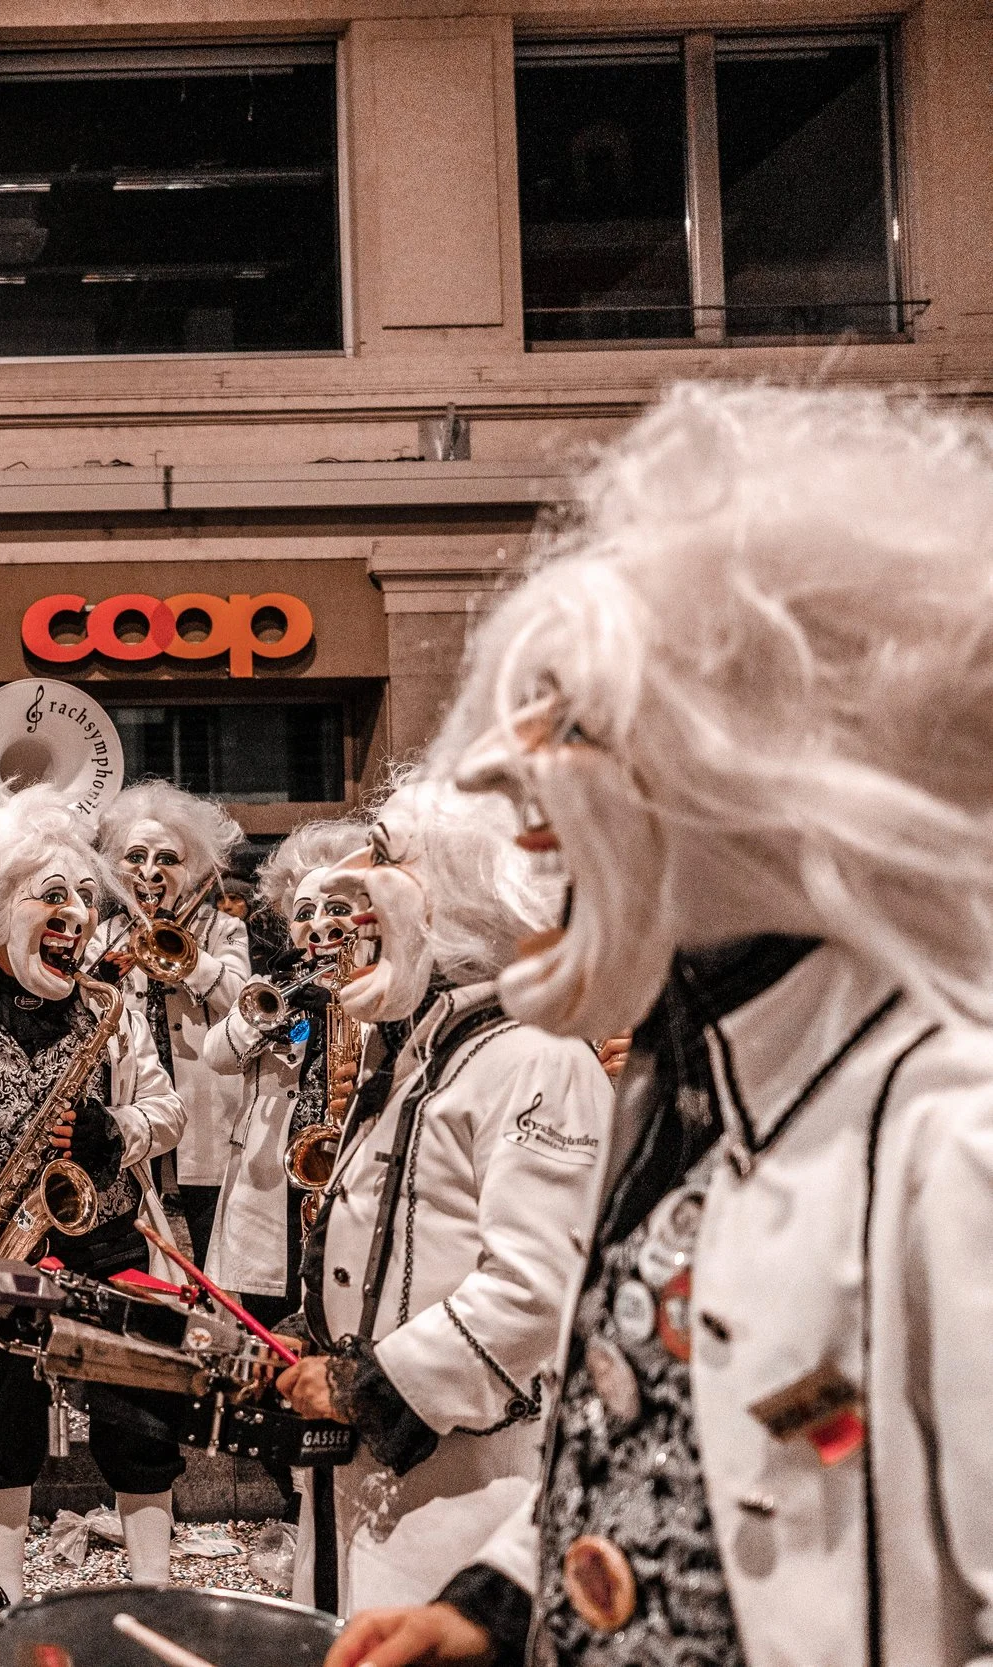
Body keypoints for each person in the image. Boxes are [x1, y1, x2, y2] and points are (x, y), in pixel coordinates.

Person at [330, 384, 993, 1667]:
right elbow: (653, 1422)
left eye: (577, 727)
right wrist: (499, 1602)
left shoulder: (953, 1130)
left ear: (742, 769)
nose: (492, 783)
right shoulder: (698, 1081)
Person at [270, 778, 614, 1620]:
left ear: (459, 892)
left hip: (466, 1503)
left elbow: (538, 1289)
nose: (349, 892)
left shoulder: (534, 1057)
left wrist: (372, 1385)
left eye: (385, 859)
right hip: (370, 1486)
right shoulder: (431, 1051)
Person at [0, 785, 187, 1649]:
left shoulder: (113, 1013)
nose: (75, 912)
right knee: (5, 1422)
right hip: (0, 1251)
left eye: (83, 897)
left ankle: (153, 1594)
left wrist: (114, 1131)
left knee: (139, 1420)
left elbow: (166, 1110)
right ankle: (4, 1600)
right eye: (50, 894)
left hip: (110, 1239)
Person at [198, 820, 367, 1330]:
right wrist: (275, 1008)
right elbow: (216, 1054)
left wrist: (342, 1002)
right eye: (304, 914)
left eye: (336, 911)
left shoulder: (382, 992)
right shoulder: (271, 985)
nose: (318, 927)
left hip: (348, 1177)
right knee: (267, 1325)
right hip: (272, 1180)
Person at [90, 779, 251, 1264]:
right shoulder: (103, 934)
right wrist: (100, 977)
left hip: (206, 1103)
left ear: (194, 867)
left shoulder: (225, 928)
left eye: (167, 860)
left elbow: (243, 1002)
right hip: (133, 1098)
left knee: (209, 1232)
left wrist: (188, 960)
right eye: (135, 857)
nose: (148, 872)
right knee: (137, 1224)